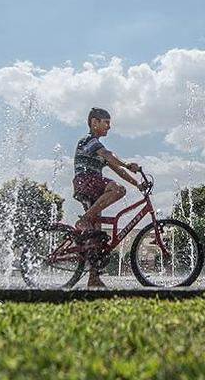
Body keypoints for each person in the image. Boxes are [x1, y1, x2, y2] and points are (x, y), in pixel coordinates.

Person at [72, 107, 141, 287]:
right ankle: (85, 219)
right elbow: (108, 155)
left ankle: (93, 278)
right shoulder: (89, 141)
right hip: (86, 181)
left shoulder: (97, 148)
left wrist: (138, 184)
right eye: (106, 123)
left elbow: (117, 170)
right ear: (94, 122)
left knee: (97, 237)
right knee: (118, 190)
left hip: (91, 187)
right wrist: (127, 163)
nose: (109, 127)